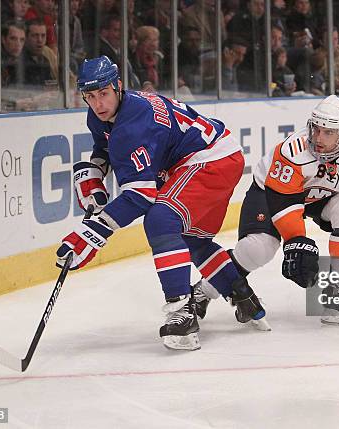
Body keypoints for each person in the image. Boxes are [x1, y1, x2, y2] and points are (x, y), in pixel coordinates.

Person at [56, 56, 269, 351]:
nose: (97, 104)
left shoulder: (135, 124)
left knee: (161, 219)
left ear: (118, 86)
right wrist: (95, 170)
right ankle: (242, 295)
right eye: (90, 97)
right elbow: (103, 144)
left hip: (209, 159)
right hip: (215, 154)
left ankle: (182, 311)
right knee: (191, 239)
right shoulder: (103, 114)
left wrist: (94, 232)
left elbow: (141, 196)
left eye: (103, 94)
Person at [194, 95, 339, 326]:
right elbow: (285, 203)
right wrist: (296, 241)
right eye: (316, 129)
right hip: (272, 193)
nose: (318, 138)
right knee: (261, 248)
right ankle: (203, 290)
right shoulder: (292, 151)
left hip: (320, 197)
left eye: (328, 132)